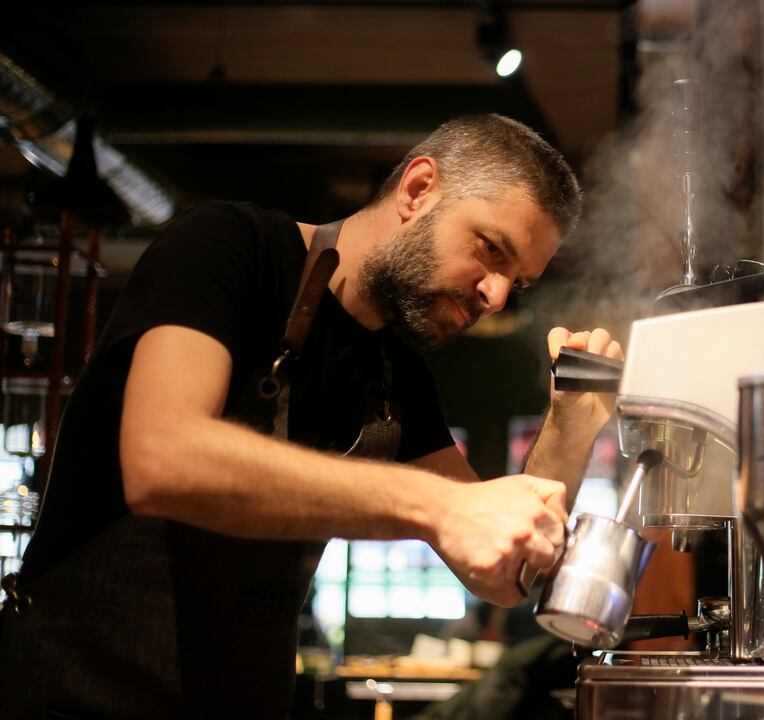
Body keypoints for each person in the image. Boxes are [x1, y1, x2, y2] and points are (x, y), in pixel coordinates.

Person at [0, 114, 621, 719]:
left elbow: (503, 576)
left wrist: (570, 423)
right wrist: (438, 504)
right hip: (78, 696)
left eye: (518, 281)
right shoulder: (230, 247)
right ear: (417, 189)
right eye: (491, 249)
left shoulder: (396, 368)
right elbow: (164, 459)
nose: (497, 295)